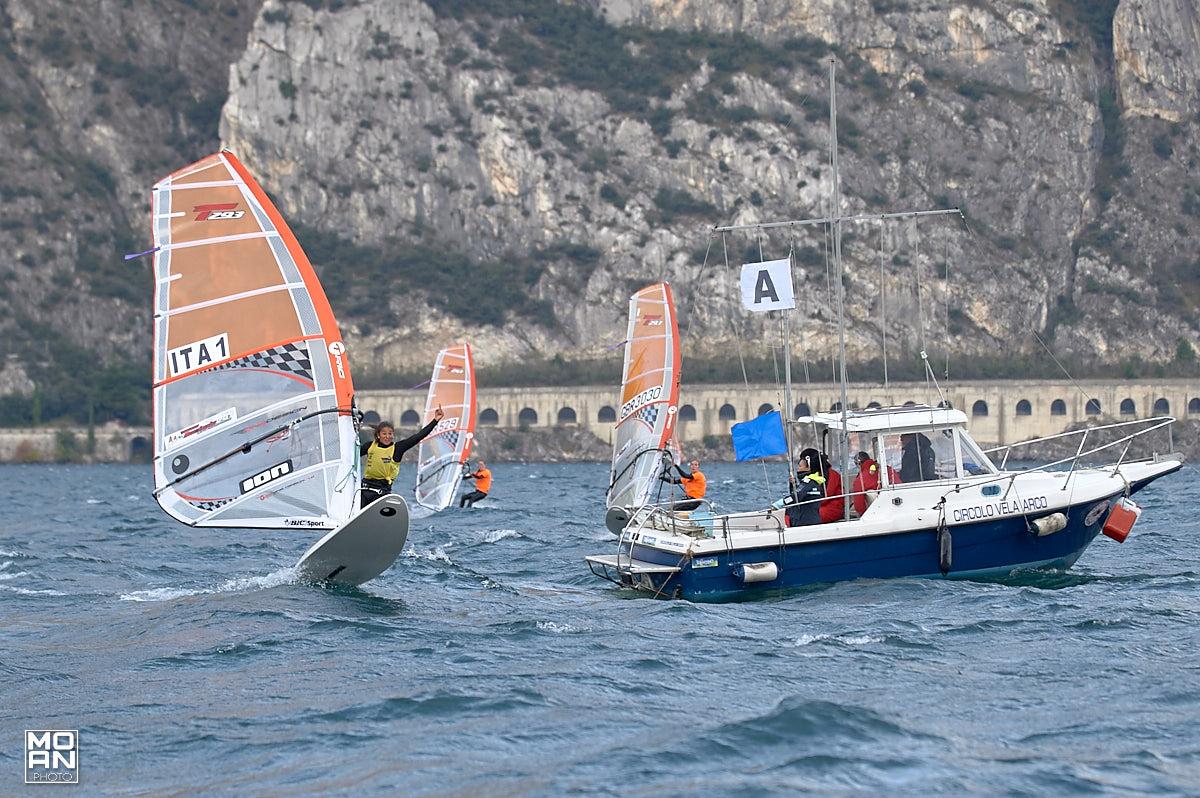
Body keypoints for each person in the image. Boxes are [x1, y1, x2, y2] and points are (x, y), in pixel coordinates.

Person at [360, 407, 444, 508]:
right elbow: (352, 455)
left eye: (390, 433)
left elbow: (418, 437)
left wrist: (435, 420)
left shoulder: (398, 448)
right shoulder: (369, 446)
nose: (387, 436)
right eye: (384, 433)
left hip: (381, 493)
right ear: (378, 435)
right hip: (364, 490)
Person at [851, 450, 900, 515]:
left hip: (876, 513)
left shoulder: (860, 480)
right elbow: (898, 485)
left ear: (858, 464)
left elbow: (859, 506)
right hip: (897, 506)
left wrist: (863, 515)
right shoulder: (888, 470)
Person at [785, 449, 826, 527]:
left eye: (800, 466)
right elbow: (799, 494)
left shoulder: (809, 482)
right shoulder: (810, 482)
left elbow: (796, 497)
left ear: (808, 468)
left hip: (806, 524)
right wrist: (793, 485)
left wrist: (781, 503)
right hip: (803, 522)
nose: (798, 469)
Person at [816, 451, 844, 523]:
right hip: (825, 506)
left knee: (814, 515)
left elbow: (828, 493)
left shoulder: (832, 475)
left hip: (833, 506)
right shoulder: (820, 474)